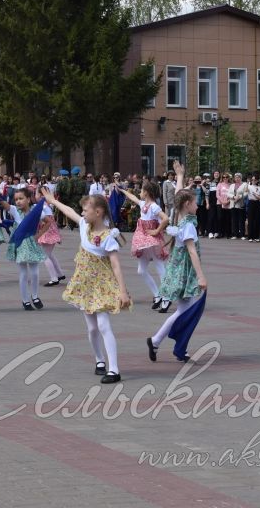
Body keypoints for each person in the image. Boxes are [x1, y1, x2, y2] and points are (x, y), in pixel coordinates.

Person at [40, 188, 131, 384]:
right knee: (92, 329)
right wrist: (52, 201)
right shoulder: (83, 225)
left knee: (103, 325)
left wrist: (123, 292)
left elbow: (115, 264)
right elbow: (69, 212)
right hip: (85, 284)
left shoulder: (108, 237)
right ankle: (99, 361)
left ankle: (114, 369)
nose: (82, 213)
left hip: (102, 285)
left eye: (85, 210)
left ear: (98, 212)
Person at [147, 162, 207, 363]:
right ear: (187, 206)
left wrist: (180, 176)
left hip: (179, 268)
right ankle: (158, 341)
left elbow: (179, 195)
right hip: (185, 271)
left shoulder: (179, 216)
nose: (197, 205)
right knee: (185, 311)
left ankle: (172, 345)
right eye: (195, 202)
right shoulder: (187, 224)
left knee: (185, 311)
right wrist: (201, 276)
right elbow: (192, 251)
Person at [120, 181, 169, 312]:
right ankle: (157, 294)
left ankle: (166, 296)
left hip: (152, 239)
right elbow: (133, 197)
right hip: (143, 240)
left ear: (146, 193)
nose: (140, 192)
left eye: (141, 190)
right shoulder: (143, 204)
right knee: (141, 270)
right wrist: (122, 190)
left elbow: (165, 218)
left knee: (160, 267)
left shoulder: (153, 206)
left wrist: (156, 231)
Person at [1, 187, 49, 310]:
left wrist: (38, 235)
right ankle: (25, 300)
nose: (18, 201)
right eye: (16, 199)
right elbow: (3, 203)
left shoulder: (35, 211)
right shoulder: (15, 210)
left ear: (28, 199)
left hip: (32, 243)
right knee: (23, 272)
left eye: (21, 198)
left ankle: (35, 296)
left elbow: (48, 222)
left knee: (34, 272)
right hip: (20, 243)